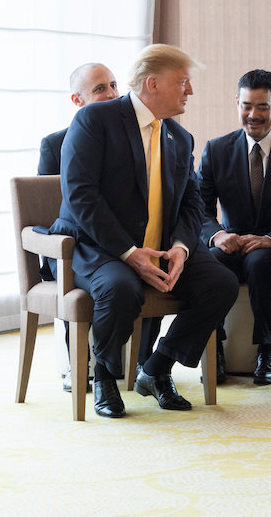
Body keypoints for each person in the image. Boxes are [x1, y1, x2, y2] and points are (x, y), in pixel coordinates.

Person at [48, 44, 239, 418]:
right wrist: (129, 252)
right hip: (99, 247)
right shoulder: (95, 121)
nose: (190, 91)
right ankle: (103, 375)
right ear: (153, 83)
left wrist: (183, 247)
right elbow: (81, 197)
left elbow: (191, 203)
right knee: (121, 288)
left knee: (221, 283)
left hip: (162, 247)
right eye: (183, 82)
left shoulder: (180, 139)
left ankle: (156, 368)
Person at [198, 69, 271, 385]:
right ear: (237, 103)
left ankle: (268, 350)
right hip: (229, 243)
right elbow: (199, 210)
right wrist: (217, 235)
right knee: (210, 263)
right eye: (246, 106)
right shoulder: (215, 150)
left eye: (262, 107)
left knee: (260, 262)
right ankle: (213, 346)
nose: (253, 115)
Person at [38, 62, 119, 393]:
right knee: (82, 271)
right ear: (77, 100)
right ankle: (78, 365)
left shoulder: (128, 142)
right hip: (73, 244)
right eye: (100, 88)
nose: (113, 94)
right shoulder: (55, 145)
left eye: (114, 85)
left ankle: (139, 360)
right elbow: (50, 210)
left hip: (115, 241)